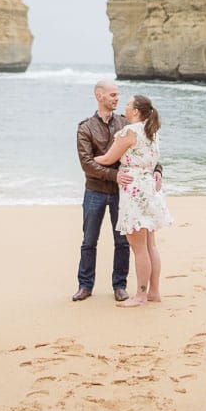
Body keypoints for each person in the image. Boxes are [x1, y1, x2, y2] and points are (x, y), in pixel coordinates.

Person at [73, 80, 161, 302]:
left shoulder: (127, 123)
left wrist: (158, 169)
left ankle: (119, 286)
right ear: (99, 95)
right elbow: (86, 163)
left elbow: (145, 152)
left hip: (123, 193)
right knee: (89, 240)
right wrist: (114, 175)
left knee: (122, 242)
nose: (117, 99)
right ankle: (85, 286)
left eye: (118, 95)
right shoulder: (85, 127)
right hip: (95, 190)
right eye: (112, 95)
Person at [95, 94, 173, 308]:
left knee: (138, 248)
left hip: (134, 190)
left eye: (128, 104)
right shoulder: (152, 131)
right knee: (150, 245)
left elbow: (109, 158)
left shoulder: (129, 131)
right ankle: (154, 292)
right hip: (149, 188)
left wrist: (89, 160)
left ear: (136, 111)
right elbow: (153, 160)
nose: (125, 106)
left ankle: (140, 295)